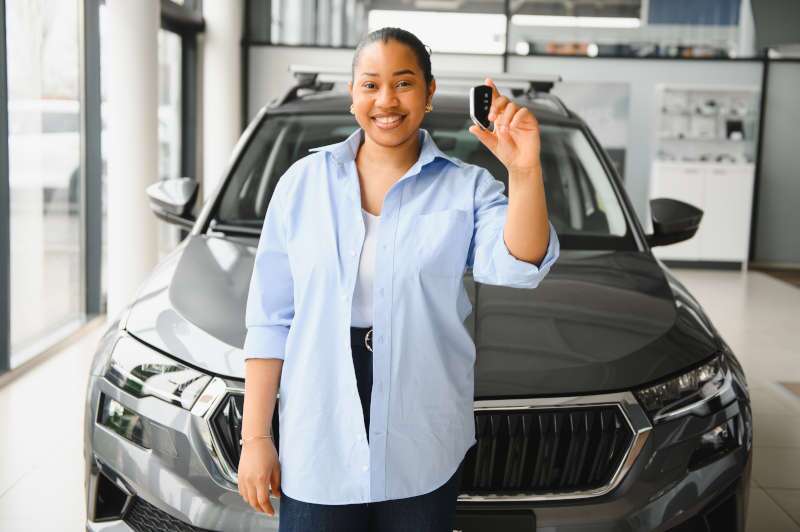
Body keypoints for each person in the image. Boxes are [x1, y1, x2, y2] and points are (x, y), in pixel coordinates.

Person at [237, 26, 560, 532]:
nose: (386, 100)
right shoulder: (303, 184)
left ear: (429, 93)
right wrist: (255, 438)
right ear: (353, 95)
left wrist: (524, 172)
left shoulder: (465, 187)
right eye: (370, 85)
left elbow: (519, 263)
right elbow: (270, 319)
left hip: (422, 434)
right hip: (318, 429)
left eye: (404, 83)